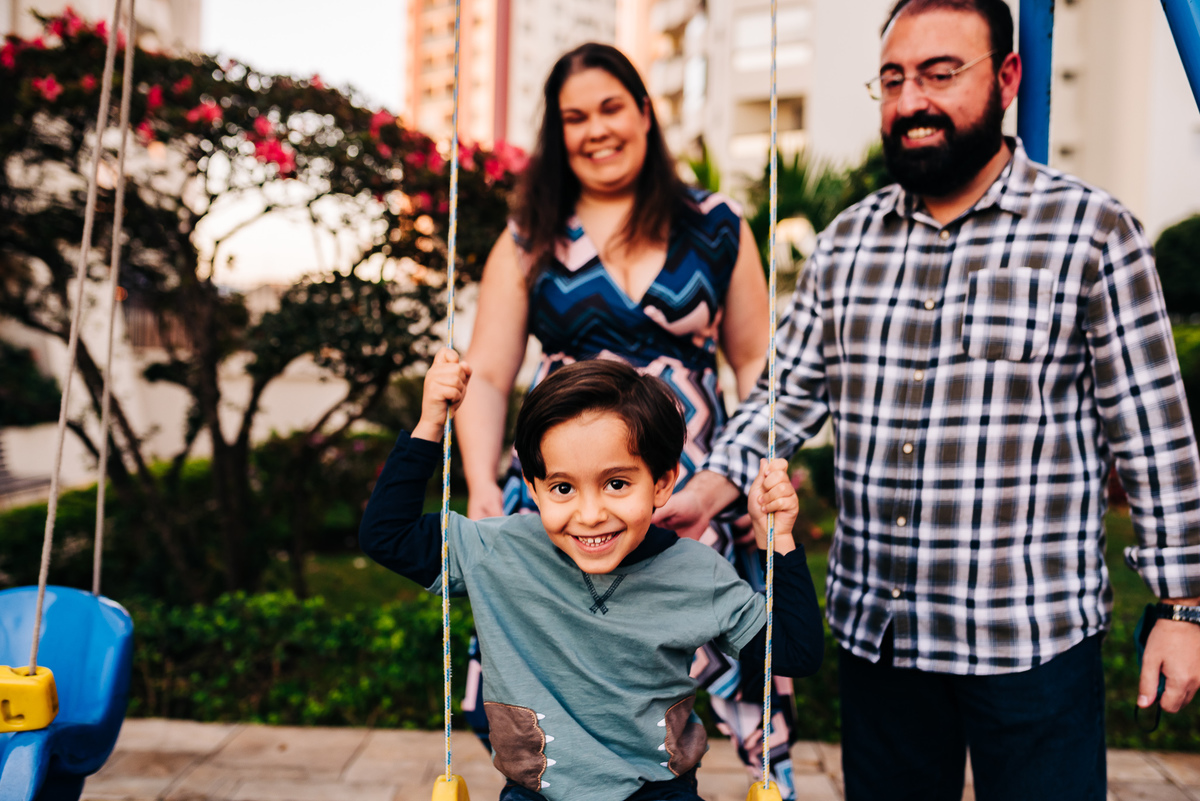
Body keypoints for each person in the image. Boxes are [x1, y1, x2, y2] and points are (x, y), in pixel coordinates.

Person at [656, 1, 1200, 800]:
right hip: (882, 636)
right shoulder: (846, 243)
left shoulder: (1092, 231)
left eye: (941, 75)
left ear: (1007, 78)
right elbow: (786, 392)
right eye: (893, 80)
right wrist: (708, 488)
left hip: (1034, 638)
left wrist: (1182, 607)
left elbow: (1153, 432)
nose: (912, 100)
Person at [453, 42, 799, 792]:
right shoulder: (530, 234)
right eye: (574, 117)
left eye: (610, 107)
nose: (596, 130)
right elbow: (488, 374)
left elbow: (758, 367)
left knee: (734, 660)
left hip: (696, 486)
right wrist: (480, 484)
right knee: (559, 679)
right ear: (558, 131)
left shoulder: (716, 224)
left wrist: (742, 476)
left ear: (645, 111)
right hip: (567, 492)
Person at [360, 353, 824, 801]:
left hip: (657, 791)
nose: (590, 514)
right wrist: (430, 424)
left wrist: (776, 539)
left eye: (616, 484)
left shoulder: (698, 573)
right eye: (563, 488)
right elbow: (386, 535)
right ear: (534, 488)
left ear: (662, 482)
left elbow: (795, 652)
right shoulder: (501, 550)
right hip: (536, 793)